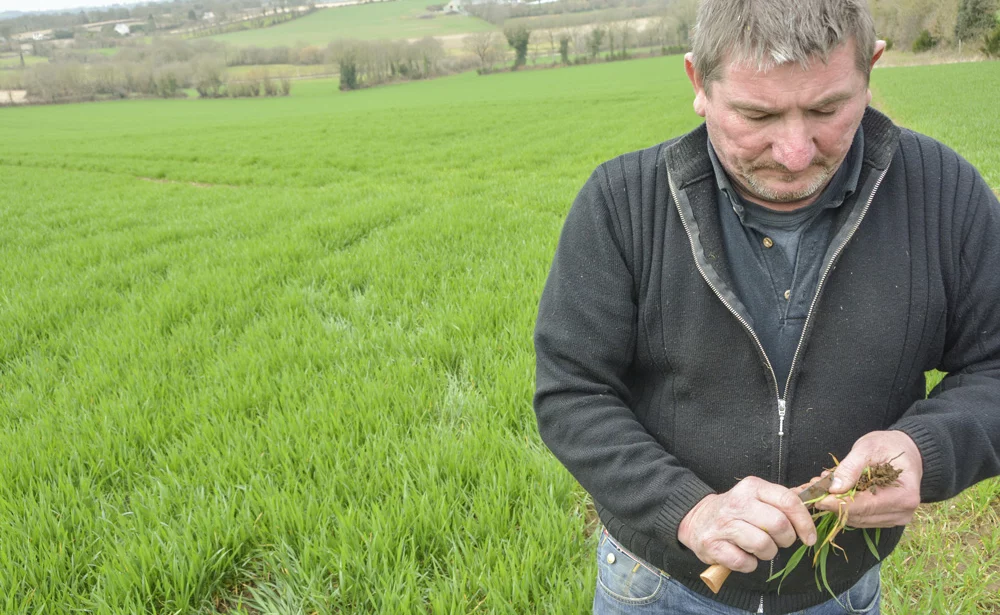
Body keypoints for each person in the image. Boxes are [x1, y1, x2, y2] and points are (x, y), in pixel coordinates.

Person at [532, 0, 1000, 613]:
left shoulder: (945, 194)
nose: (795, 153)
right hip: (659, 587)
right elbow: (572, 392)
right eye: (758, 114)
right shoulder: (621, 205)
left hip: (838, 591)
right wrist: (690, 510)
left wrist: (924, 449)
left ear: (872, 68)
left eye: (829, 109)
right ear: (699, 83)